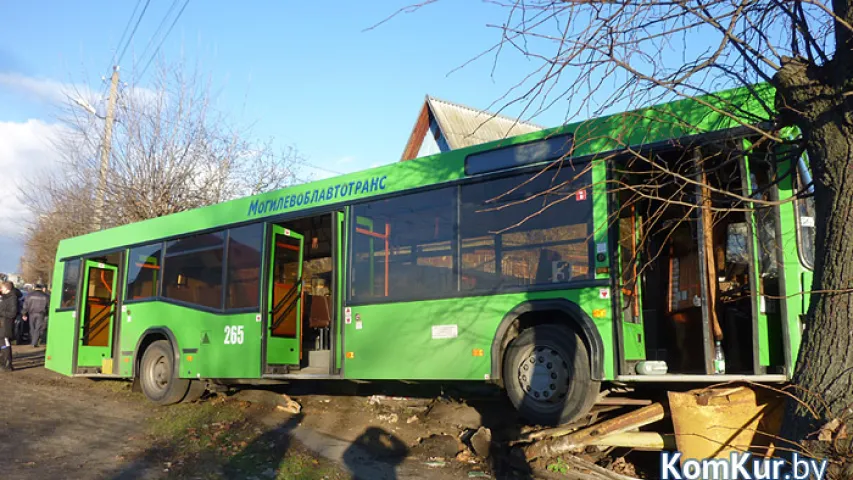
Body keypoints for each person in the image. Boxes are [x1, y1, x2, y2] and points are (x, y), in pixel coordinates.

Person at [0, 281, 18, 371]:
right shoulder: (4, 298)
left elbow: (12, 313)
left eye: (2, 288)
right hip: (2, 325)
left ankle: (7, 365)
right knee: (2, 345)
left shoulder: (12, 298)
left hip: (7, 325)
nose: (1, 289)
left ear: (7, 288)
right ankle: (3, 363)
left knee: (5, 345)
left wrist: (1, 312)